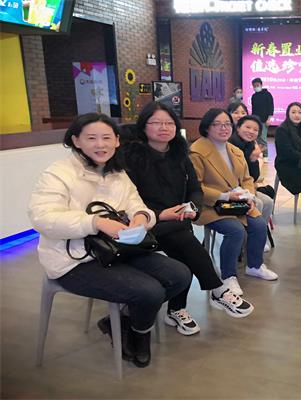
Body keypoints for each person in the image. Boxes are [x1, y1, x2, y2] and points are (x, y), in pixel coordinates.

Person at [28, 113, 191, 368]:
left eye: (106, 138)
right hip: (73, 260)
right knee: (149, 291)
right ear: (76, 141)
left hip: (118, 249)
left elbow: (137, 205)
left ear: (116, 140)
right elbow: (43, 217)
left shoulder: (117, 173)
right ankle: (140, 334)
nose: (100, 144)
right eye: (91, 138)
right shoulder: (58, 173)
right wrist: (95, 222)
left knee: (179, 275)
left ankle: (127, 324)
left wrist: (141, 217)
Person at [122, 102, 254, 334]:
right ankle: (215, 290)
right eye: (156, 123)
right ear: (143, 126)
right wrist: (160, 215)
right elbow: (128, 200)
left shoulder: (180, 154)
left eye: (169, 123)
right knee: (186, 243)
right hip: (146, 224)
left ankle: (179, 309)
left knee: (184, 245)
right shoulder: (131, 158)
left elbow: (195, 188)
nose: (164, 127)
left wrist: (192, 207)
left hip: (179, 222)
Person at [189, 108, 277, 296]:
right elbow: (195, 186)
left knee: (259, 225)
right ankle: (228, 276)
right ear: (207, 127)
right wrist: (224, 196)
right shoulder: (197, 151)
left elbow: (246, 178)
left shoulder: (234, 150)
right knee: (235, 230)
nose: (224, 128)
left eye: (227, 124)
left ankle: (254, 266)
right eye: (217, 124)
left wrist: (249, 195)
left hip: (236, 203)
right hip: (210, 205)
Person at [229, 114, 274, 227]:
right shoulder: (231, 144)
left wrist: (253, 159)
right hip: (231, 189)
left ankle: (260, 234)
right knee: (258, 203)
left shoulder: (250, 145)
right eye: (248, 127)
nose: (251, 131)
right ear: (238, 128)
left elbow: (254, 176)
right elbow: (235, 174)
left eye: (255, 130)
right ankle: (248, 235)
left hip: (246, 188)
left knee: (268, 202)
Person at [250, 78, 274, 159]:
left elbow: (271, 107)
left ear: (261, 85)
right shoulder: (254, 96)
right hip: (256, 120)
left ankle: (265, 156)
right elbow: (253, 109)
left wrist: (269, 119)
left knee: (263, 138)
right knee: (256, 138)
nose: (256, 87)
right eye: (254, 86)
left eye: (257, 85)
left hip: (264, 120)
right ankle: (259, 154)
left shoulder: (267, 94)